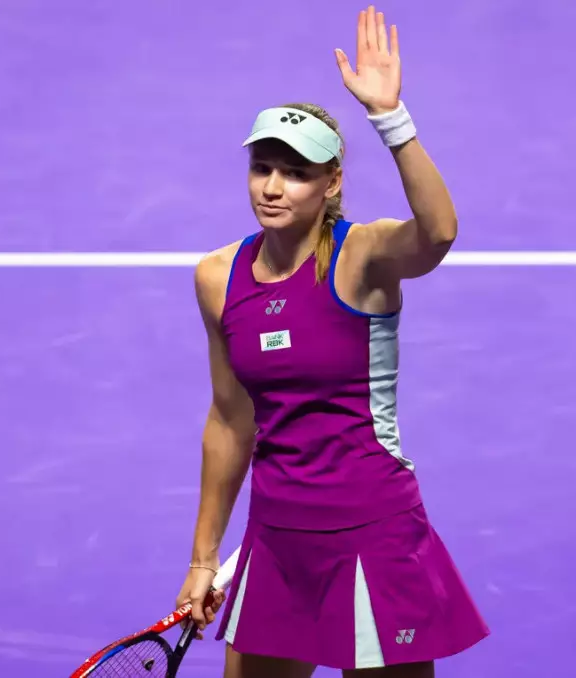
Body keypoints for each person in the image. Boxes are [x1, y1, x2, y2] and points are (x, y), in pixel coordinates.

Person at [175, 6, 488, 677]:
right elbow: (230, 419)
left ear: (332, 182)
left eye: (296, 172)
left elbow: (438, 232)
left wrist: (391, 119)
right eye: (263, 168)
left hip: (375, 534)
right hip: (278, 541)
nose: (273, 187)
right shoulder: (217, 277)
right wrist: (203, 558)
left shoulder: (364, 257)